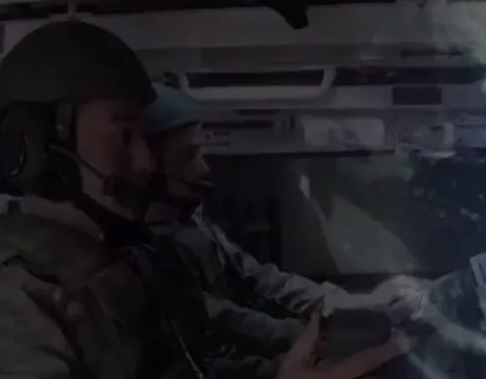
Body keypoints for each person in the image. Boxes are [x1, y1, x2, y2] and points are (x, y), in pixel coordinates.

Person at [0, 20, 407, 379]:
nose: (145, 162)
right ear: (33, 147)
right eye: (124, 135)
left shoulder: (130, 254)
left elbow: (192, 378)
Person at [142, 83, 431, 356]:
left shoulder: (191, 222)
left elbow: (260, 279)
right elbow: (222, 320)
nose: (204, 168)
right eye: (189, 156)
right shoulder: (147, 250)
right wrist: (322, 338)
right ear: (149, 166)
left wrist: (353, 302)